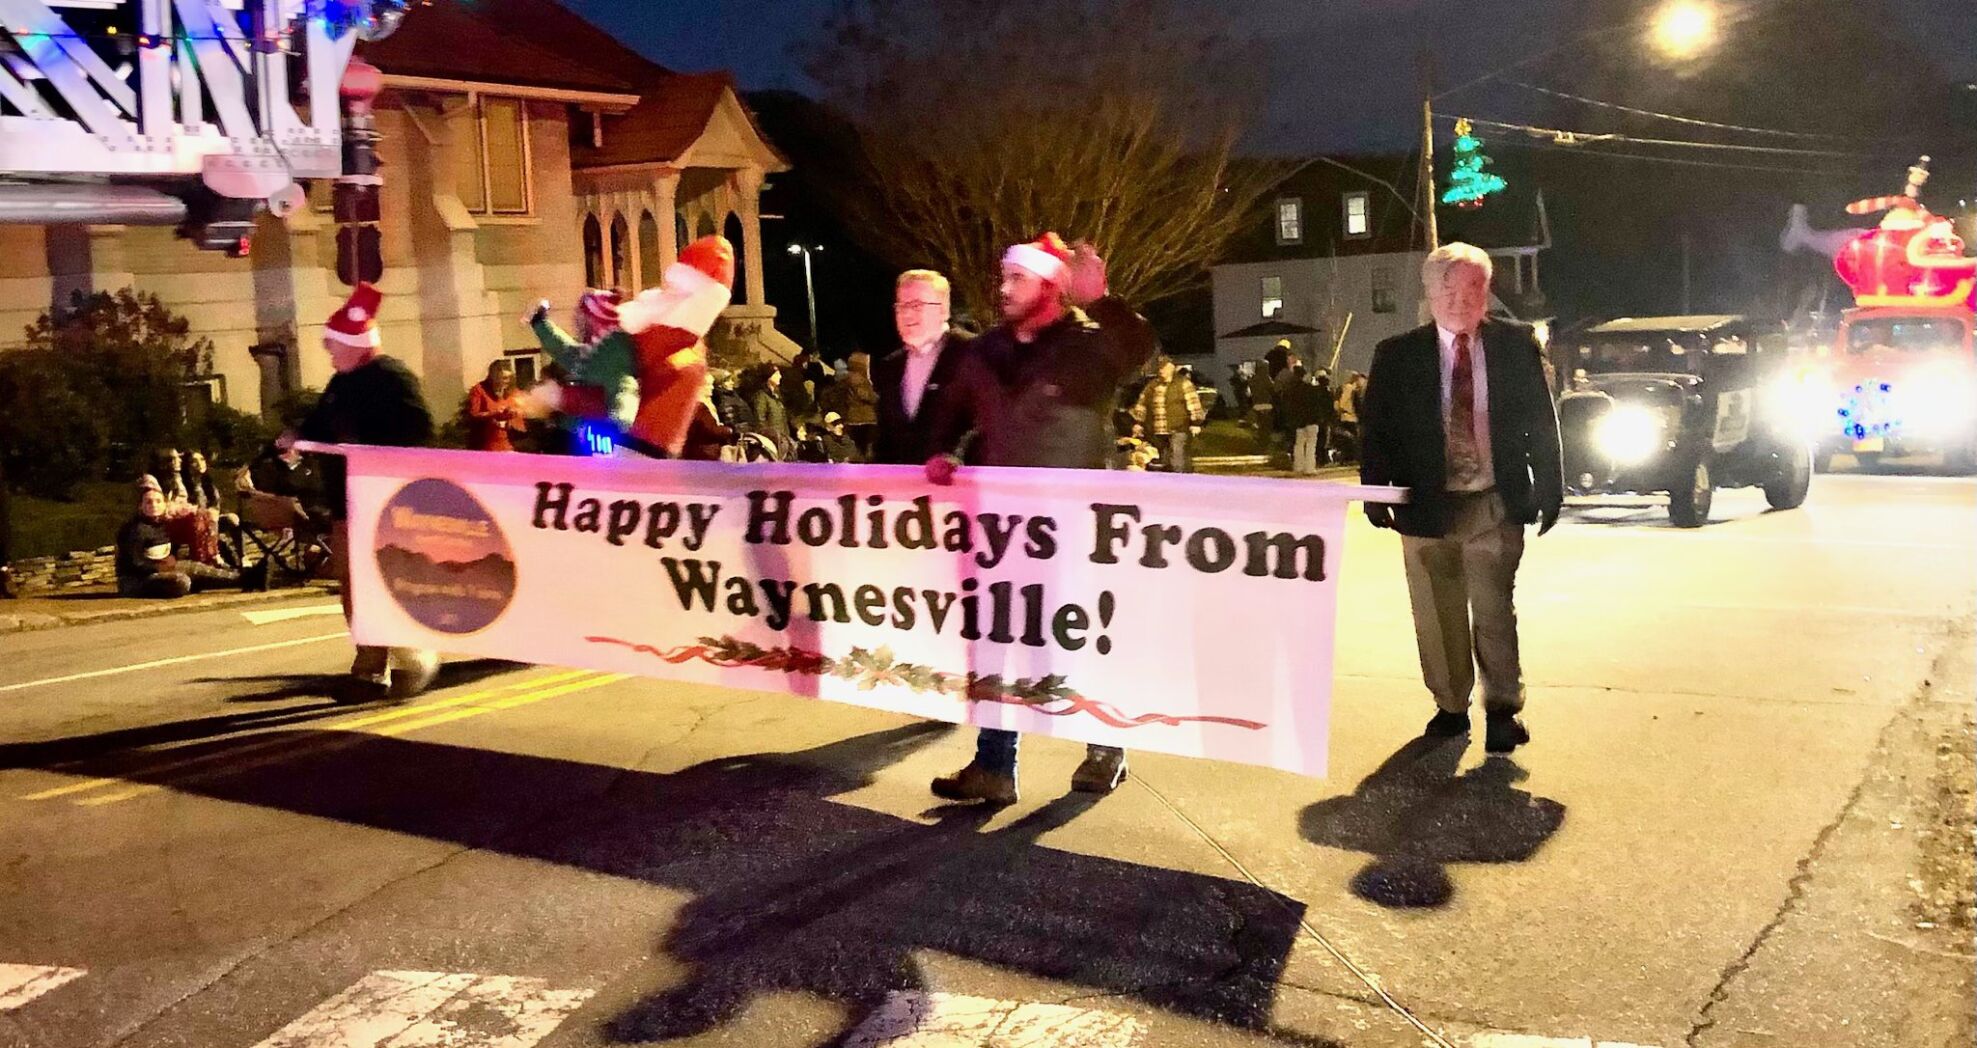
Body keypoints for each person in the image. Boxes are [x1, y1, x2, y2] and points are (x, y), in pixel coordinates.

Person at [924, 233, 1157, 804]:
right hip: (1003, 527)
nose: (1002, 289)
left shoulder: (1086, 345)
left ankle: (1104, 750)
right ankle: (994, 766)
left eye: (1017, 279)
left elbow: (1143, 349)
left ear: (1052, 285)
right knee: (999, 638)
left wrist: (1104, 300)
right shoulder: (986, 352)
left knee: (1077, 635)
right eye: (1003, 278)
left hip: (1074, 524)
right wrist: (950, 450)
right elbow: (958, 413)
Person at [1359, 243, 1563, 755]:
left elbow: (1542, 420)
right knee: (1436, 613)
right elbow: (1377, 431)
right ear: (1429, 293)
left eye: (1472, 285)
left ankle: (1502, 709)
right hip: (1425, 505)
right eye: (1446, 287)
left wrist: (1551, 486)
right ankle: (1450, 707)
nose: (1459, 297)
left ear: (1487, 291)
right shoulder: (1397, 355)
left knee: (1494, 610)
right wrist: (1375, 492)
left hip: (1493, 500)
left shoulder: (1515, 346)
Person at [292, 282, 441, 701]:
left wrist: (375, 453)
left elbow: (419, 431)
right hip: (346, 501)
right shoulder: (341, 382)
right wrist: (298, 436)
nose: (330, 354)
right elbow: (322, 424)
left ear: (356, 345)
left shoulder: (393, 379)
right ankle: (370, 666)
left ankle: (409, 656)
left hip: (386, 501)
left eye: (335, 346)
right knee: (354, 583)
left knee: (387, 579)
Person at [874, 270, 976, 466]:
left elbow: (989, 425)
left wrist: (956, 459)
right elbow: (885, 441)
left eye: (917, 305)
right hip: (904, 490)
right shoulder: (891, 367)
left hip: (962, 488)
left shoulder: (974, 353)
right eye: (901, 306)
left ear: (944, 309)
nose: (907, 314)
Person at [527, 289, 637, 456]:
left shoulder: (612, 355)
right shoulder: (591, 351)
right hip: (575, 433)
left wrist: (619, 420)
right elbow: (562, 348)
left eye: (582, 316)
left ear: (593, 318)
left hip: (594, 440)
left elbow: (625, 388)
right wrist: (541, 324)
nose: (577, 321)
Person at [116, 477, 244, 597]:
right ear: (140, 505)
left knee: (195, 568)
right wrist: (159, 567)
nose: (154, 505)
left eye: (158, 501)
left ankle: (247, 578)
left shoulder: (161, 524)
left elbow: (170, 551)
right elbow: (134, 563)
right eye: (148, 502)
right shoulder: (134, 530)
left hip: (163, 571)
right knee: (182, 581)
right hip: (135, 580)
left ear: (164, 504)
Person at [1130, 355, 1205, 473]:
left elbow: (1194, 404)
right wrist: (1138, 423)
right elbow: (1141, 405)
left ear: (1172, 368)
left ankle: (1182, 484)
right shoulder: (1152, 386)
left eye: (1164, 368)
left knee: (1178, 461)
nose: (1161, 370)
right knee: (1163, 462)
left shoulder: (1184, 384)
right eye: (1159, 368)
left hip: (1179, 429)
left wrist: (1196, 423)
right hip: (1157, 432)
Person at [467, 360, 528, 452]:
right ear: (493, 376)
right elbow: (473, 415)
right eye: (503, 378)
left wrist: (512, 418)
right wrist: (494, 414)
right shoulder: (479, 390)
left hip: (511, 446)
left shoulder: (513, 392)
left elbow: (521, 417)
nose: (506, 381)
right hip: (487, 447)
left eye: (508, 378)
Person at [681, 374, 738, 462]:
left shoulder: (702, 404)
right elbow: (709, 430)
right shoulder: (699, 407)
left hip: (702, 451)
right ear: (699, 387)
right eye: (708, 385)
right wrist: (728, 430)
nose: (712, 388)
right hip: (704, 453)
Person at [1282, 368, 1325, 475]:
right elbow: (1316, 405)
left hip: (1298, 421)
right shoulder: (1311, 389)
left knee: (1299, 444)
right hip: (1312, 420)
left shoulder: (1291, 390)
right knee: (1311, 444)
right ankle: (1309, 468)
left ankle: (1298, 466)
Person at [838, 350, 880, 459]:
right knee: (867, 450)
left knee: (857, 450)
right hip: (867, 419)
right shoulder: (863, 380)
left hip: (852, 419)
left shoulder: (845, 381)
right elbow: (869, 397)